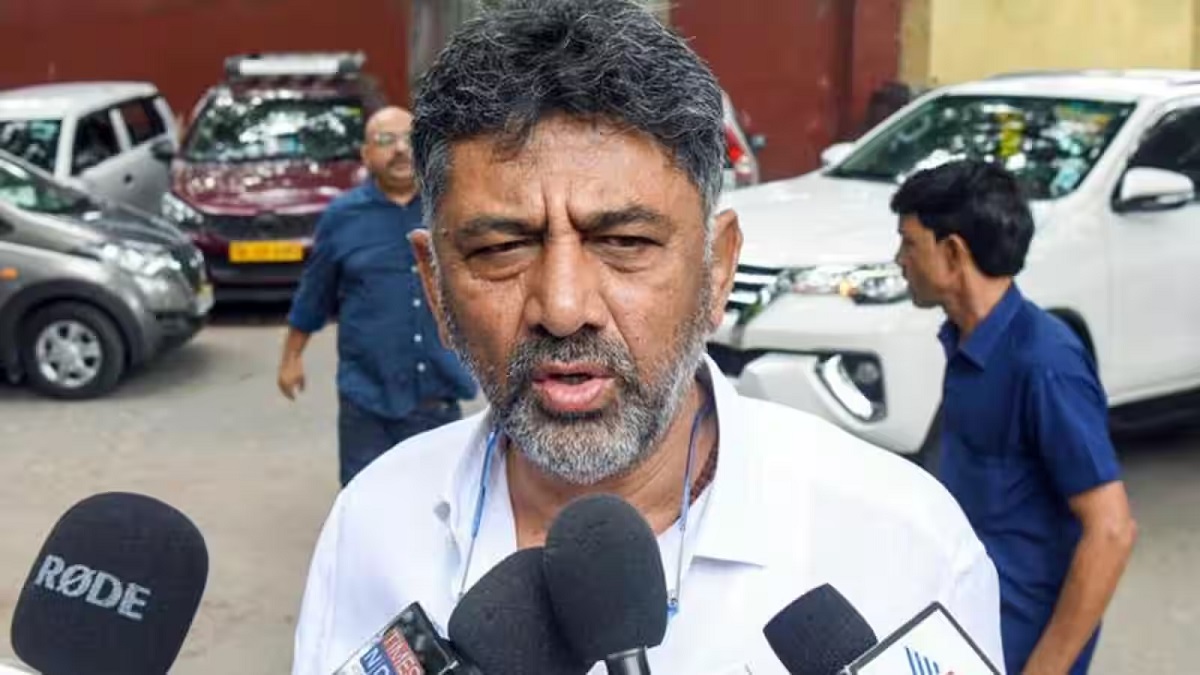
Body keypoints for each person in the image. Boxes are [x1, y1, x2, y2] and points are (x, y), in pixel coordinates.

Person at [291, 2, 1003, 672]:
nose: (563, 308)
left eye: (625, 242)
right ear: (436, 287)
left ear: (717, 269)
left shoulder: (903, 542)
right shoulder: (373, 522)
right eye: (502, 249)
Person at [891, 159, 1138, 675]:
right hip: (963, 628)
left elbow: (1112, 531)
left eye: (909, 244)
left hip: (1019, 646)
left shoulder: (1046, 362)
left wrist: (1044, 668)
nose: (899, 260)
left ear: (952, 252)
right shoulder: (967, 344)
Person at [278, 106, 478, 487]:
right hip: (367, 400)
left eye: (408, 138)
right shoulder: (342, 217)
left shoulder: (453, 208)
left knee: (440, 502)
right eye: (385, 140)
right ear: (366, 155)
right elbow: (314, 293)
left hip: (437, 396)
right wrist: (291, 358)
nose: (399, 149)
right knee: (366, 499)